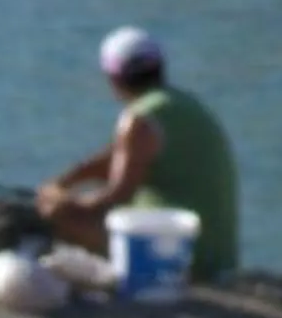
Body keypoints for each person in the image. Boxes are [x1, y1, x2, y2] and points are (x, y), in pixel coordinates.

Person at [37, 26, 239, 283]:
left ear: (113, 78)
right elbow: (114, 158)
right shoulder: (179, 103)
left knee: (58, 220)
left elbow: (117, 196)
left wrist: (66, 205)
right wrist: (63, 182)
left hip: (179, 254)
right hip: (216, 254)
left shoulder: (139, 119)